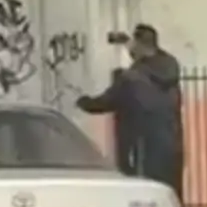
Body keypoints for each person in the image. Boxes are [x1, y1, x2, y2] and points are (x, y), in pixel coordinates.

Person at [75, 24, 185, 198]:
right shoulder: (171, 69)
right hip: (172, 146)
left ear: (139, 45)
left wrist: (82, 101)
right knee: (171, 196)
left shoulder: (132, 77)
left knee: (144, 197)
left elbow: (106, 102)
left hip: (142, 149)